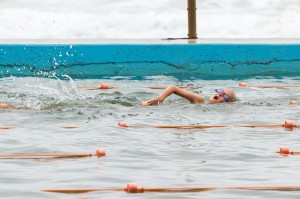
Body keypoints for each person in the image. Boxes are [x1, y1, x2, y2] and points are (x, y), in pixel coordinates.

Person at [144, 86, 236, 106]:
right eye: (220, 91)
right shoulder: (200, 100)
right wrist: (160, 98)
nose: (220, 94)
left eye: (226, 96)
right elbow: (173, 88)